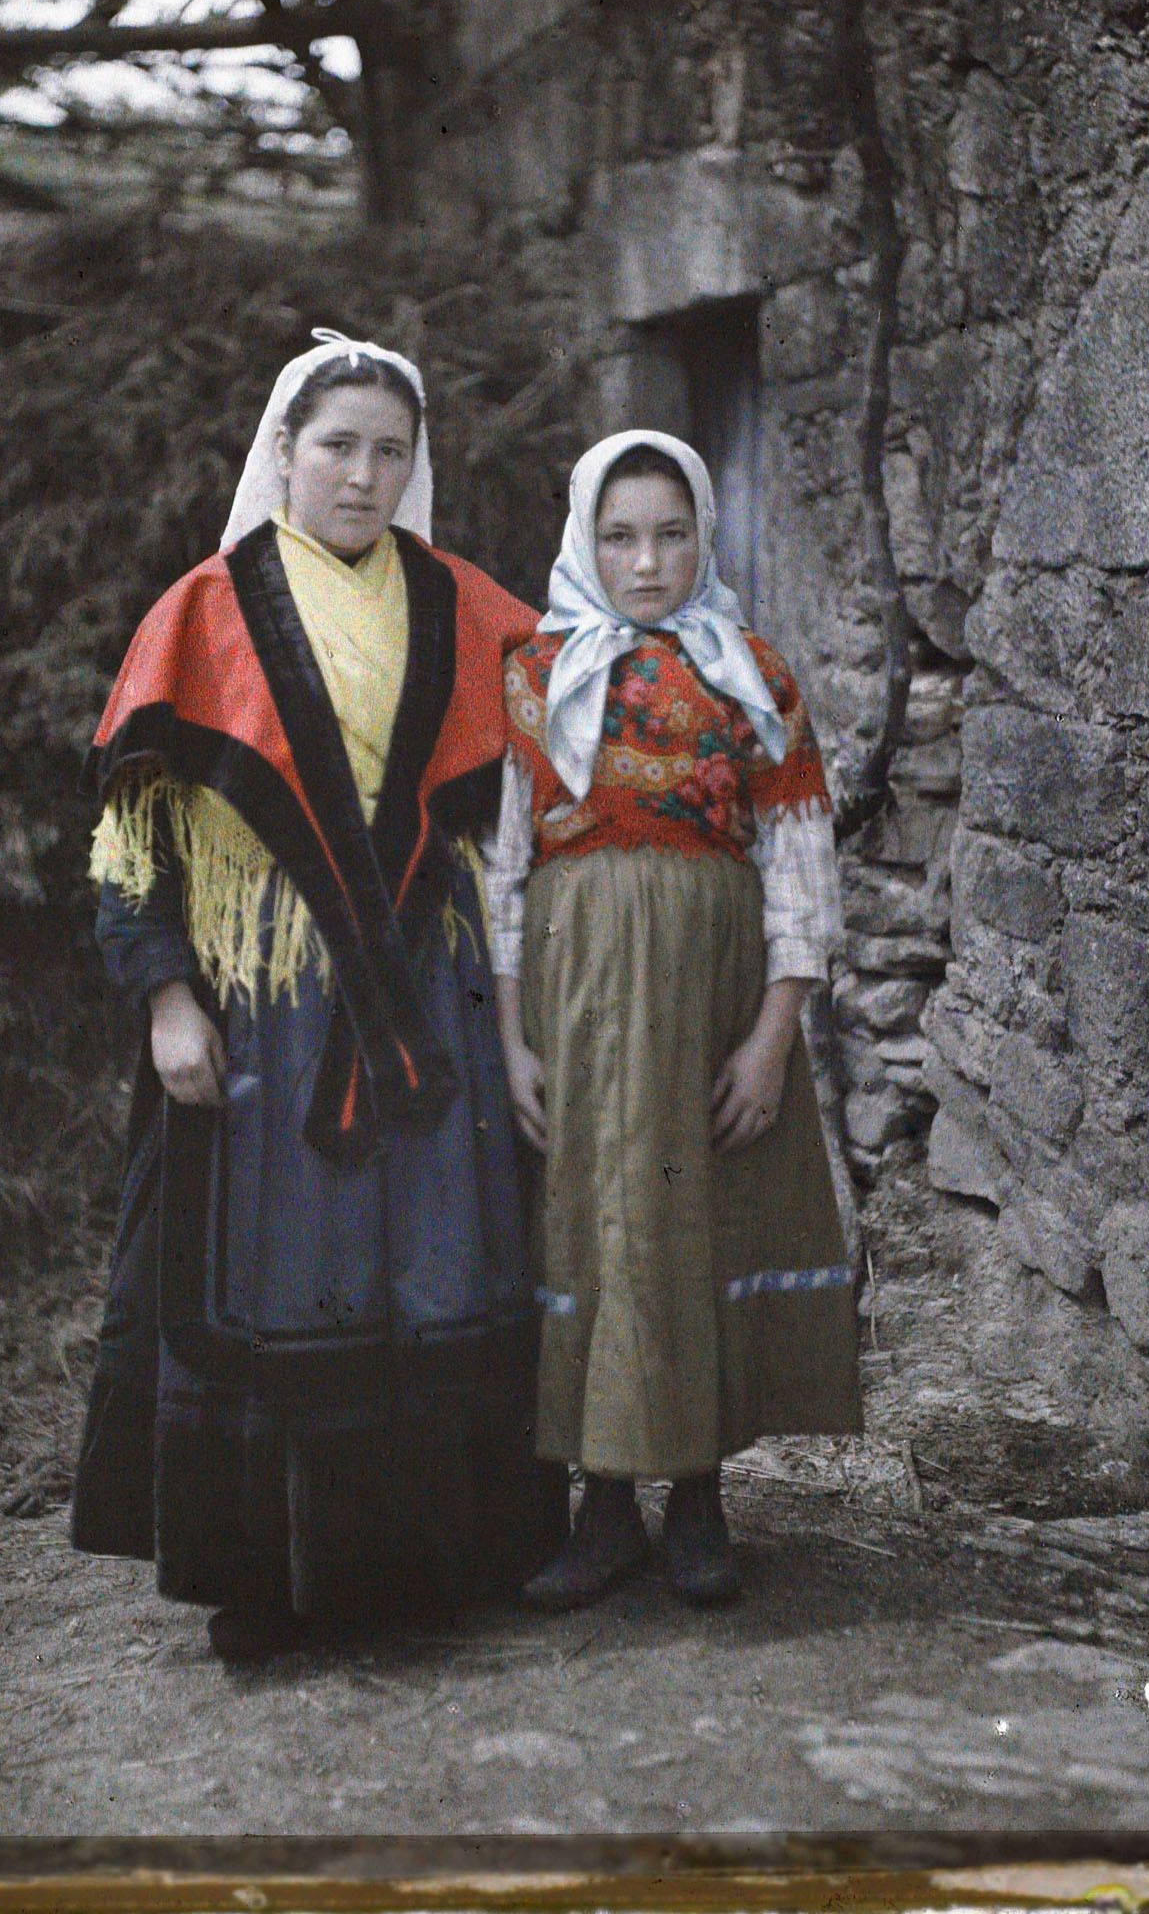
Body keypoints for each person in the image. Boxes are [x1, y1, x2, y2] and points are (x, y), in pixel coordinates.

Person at [70, 329, 566, 1661]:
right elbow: (132, 839)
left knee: (430, 1266)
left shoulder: (471, 606)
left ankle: (436, 1570)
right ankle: (269, 1579)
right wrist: (167, 998)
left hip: (428, 997)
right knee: (278, 1274)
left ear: (415, 467)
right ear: (283, 452)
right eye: (336, 445)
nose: (361, 473)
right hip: (268, 1008)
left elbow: (561, 778)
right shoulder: (200, 613)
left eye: (387, 451)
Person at [484, 430, 862, 1612]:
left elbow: (802, 862)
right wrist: (506, 1034)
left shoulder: (754, 675)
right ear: (582, 540)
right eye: (618, 534)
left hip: (711, 994)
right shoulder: (534, 675)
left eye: (669, 531)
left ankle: (696, 1503)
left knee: (697, 1221)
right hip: (576, 991)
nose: (645, 560)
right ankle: (602, 1513)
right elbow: (498, 867)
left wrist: (771, 1032)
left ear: (703, 535)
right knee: (594, 1226)